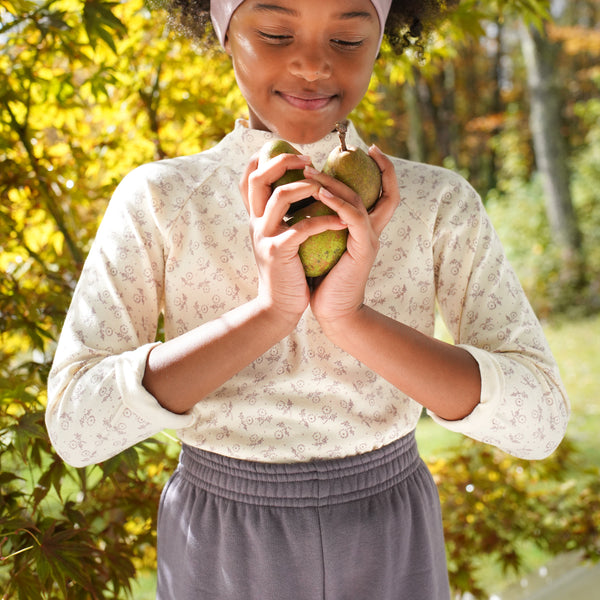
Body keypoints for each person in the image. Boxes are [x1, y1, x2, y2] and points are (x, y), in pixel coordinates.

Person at [45, 1, 570, 599]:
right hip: (218, 544)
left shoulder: (437, 204)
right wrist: (268, 313)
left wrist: (350, 320)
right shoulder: (159, 202)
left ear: (380, 42)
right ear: (224, 34)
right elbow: (76, 428)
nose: (314, 65)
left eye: (346, 40)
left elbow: (540, 424)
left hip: (392, 535)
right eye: (274, 32)